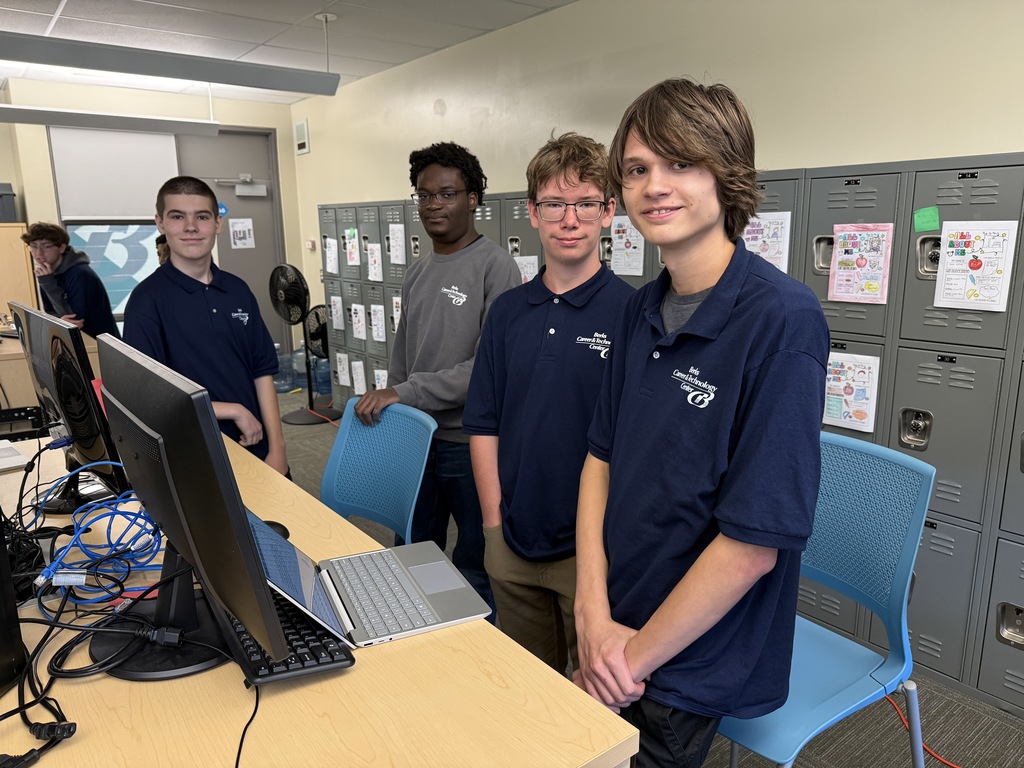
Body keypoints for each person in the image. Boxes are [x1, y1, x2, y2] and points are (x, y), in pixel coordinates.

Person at [573, 78, 829, 767]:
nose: (655, 184)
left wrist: (628, 657)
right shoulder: (639, 309)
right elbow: (598, 460)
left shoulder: (781, 320)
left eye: (680, 162)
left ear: (728, 172)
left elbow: (752, 545)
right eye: (637, 169)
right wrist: (590, 611)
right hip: (613, 617)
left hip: (687, 652)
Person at [463, 133, 633, 673]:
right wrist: (492, 527)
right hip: (512, 538)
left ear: (608, 212)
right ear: (532, 214)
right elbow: (484, 422)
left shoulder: (634, 315)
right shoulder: (508, 312)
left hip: (593, 553)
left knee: (593, 696)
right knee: (527, 684)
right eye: (555, 205)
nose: (569, 220)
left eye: (585, 204)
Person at [354, 142, 521, 613]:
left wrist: (403, 392)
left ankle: (475, 663)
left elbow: (489, 367)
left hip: (468, 445)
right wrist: (399, 410)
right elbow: (403, 355)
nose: (434, 205)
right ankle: (412, 642)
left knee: (474, 564)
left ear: (473, 199)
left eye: (446, 194)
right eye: (424, 196)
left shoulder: (496, 267)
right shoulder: (418, 270)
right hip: (417, 439)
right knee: (410, 549)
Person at [122, 176, 288, 476]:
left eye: (201, 216)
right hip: (195, 460)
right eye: (177, 217)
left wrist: (278, 450)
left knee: (285, 523)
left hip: (258, 448)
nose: (191, 227)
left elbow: (262, 373)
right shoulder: (146, 302)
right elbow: (150, 397)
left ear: (217, 223)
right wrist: (234, 410)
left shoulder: (238, 290)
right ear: (160, 223)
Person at [21, 222, 120, 339]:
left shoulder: (80, 273)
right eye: (33, 246)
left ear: (62, 248)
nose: (38, 252)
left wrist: (48, 283)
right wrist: (60, 321)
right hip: (78, 341)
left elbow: (74, 320)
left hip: (98, 344)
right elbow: (50, 312)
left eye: (46, 246)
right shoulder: (48, 272)